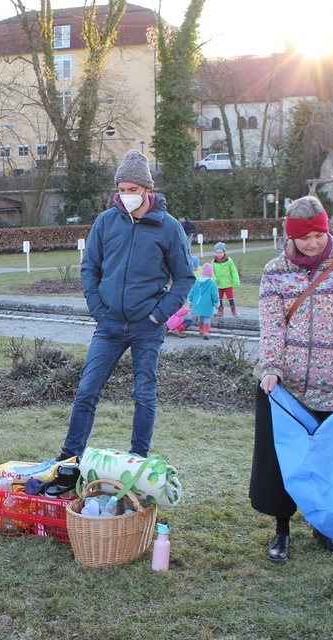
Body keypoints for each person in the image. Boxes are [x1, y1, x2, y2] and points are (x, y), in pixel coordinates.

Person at [250, 195, 333, 562]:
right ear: (290, 236)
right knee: (282, 461)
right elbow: (271, 325)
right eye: (304, 237)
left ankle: (325, 527)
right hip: (286, 388)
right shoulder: (275, 271)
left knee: (328, 463)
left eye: (318, 235)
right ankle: (282, 529)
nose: (312, 243)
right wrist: (271, 366)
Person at [56, 149, 194, 461]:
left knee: (144, 394)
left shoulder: (169, 227)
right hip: (110, 324)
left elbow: (185, 277)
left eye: (132, 189)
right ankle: (69, 459)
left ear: (147, 189)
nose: (126, 195)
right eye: (121, 189)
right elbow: (89, 268)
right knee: (86, 391)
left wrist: (158, 315)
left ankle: (138, 460)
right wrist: (99, 311)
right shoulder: (105, 222)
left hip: (147, 326)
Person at [188, 263, 219, 339]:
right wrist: (216, 303)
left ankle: (201, 330)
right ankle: (206, 332)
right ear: (211, 273)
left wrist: (191, 301)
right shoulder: (212, 283)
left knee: (201, 316)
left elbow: (192, 292)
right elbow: (214, 295)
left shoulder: (196, 282)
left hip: (197, 303)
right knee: (207, 317)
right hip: (207, 304)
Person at [211, 242, 241, 317]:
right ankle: (220, 312)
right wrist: (214, 279)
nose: (219, 254)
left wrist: (236, 280)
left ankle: (234, 311)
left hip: (228, 284)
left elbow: (233, 271)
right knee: (219, 299)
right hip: (218, 284)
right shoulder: (213, 262)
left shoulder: (229, 261)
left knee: (231, 298)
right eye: (217, 253)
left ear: (224, 252)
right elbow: (211, 272)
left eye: (220, 252)